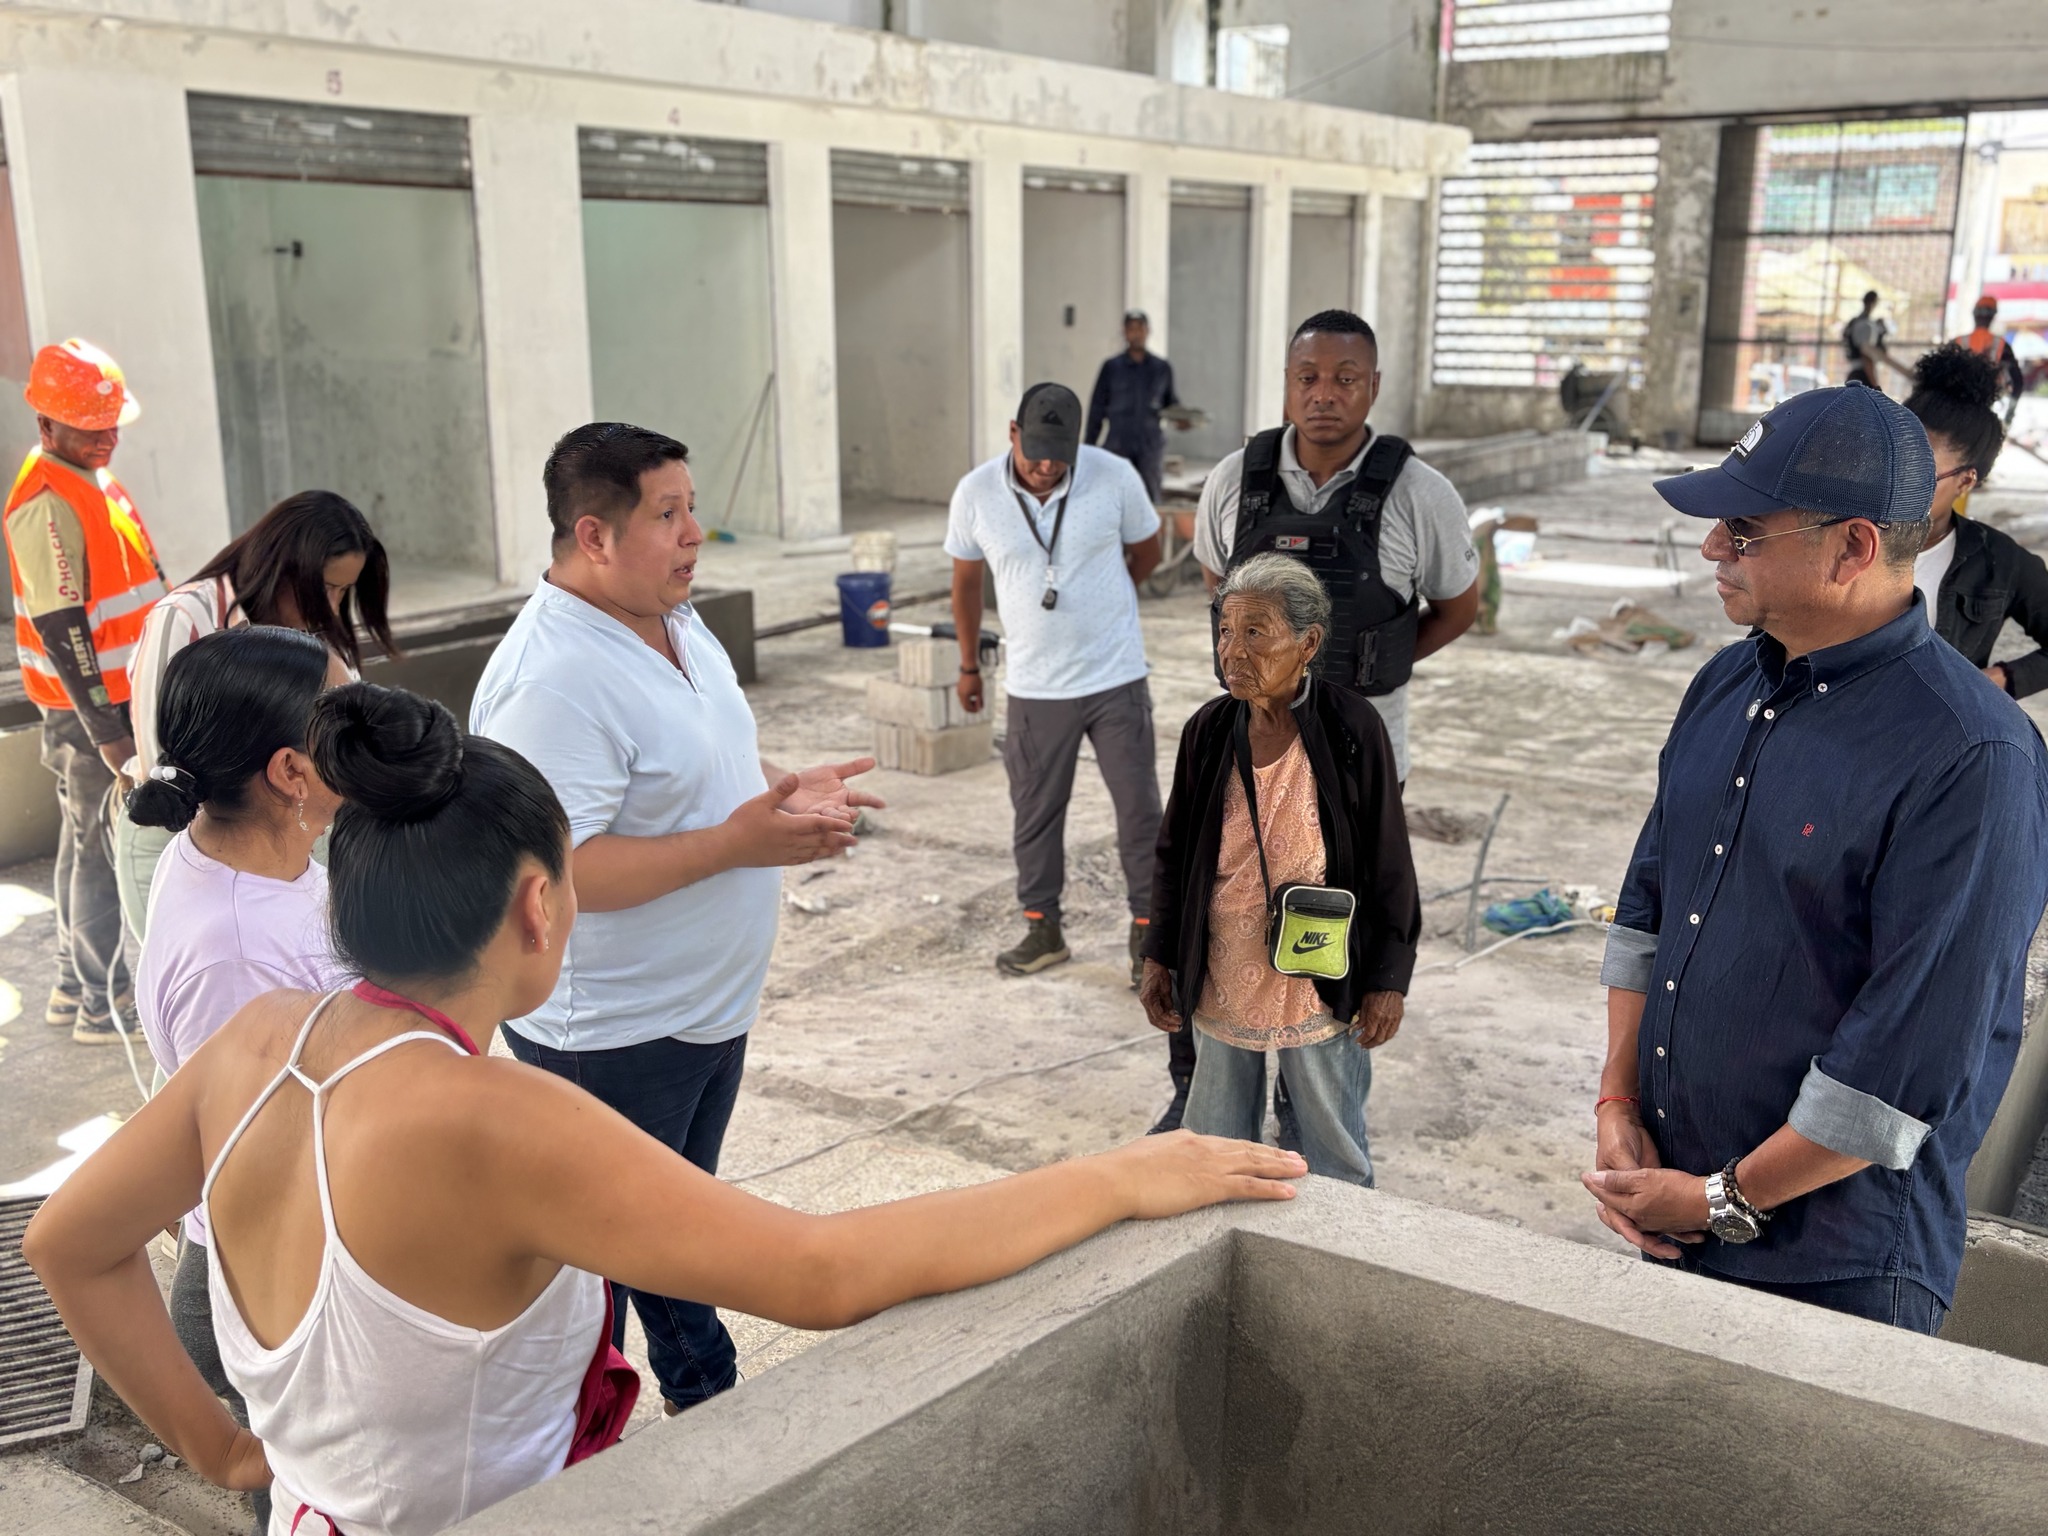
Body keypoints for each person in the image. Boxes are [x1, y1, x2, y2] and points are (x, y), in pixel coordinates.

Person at [23, 678, 1307, 1535]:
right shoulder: (498, 1121)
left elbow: (67, 1242)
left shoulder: (261, 1043)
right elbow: (818, 1272)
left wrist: (226, 1455)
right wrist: (1115, 1177)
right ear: (540, 905)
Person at [1584, 383, 2048, 1333]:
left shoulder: (1971, 755)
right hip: (1676, 1209)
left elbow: (1903, 1065)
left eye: (1744, 531)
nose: (1712, 549)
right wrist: (1618, 1101)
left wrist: (1722, 1199)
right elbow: (1648, 907)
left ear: (1853, 548)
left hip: (1838, 1268)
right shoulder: (1728, 684)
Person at [470, 422, 885, 1417]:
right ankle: (604, 1441)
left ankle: (700, 1397)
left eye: (691, 507)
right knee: (602, 1277)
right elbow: (557, 871)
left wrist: (778, 788)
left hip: (701, 1014)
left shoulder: (670, 615)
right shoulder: (553, 683)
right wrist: (736, 844)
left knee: (674, 1228)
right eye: (668, 514)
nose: (695, 532)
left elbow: (699, 756)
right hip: (613, 1041)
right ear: (594, 535)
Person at [1170, 308, 1478, 1134]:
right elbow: (1219, 584)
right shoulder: (1236, 480)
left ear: (1373, 386)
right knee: (1232, 904)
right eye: (1308, 377)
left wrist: (1371, 669)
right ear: (1287, 384)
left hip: (1357, 752)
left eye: (1345, 379)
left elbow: (1459, 606)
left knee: (1336, 917)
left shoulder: (1420, 493)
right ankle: (1214, 1081)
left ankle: (1313, 1098)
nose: (1325, 394)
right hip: (1249, 750)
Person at [127, 625, 352, 1535]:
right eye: (348, 717)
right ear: (292, 772)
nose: (371, 728)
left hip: (285, 1256)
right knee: (314, 1499)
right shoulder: (238, 948)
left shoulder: (237, 851)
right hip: (271, 1279)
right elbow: (265, 1158)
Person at [1139, 554, 1419, 1185]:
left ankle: (1337, 1237)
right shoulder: (1209, 729)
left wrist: (1388, 978)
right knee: (1214, 1143)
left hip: (1317, 963)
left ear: (1308, 644)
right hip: (1223, 965)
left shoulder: (1351, 726)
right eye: (1225, 632)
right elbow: (1173, 851)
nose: (1233, 651)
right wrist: (1159, 954)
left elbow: (1389, 861)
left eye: (1255, 632)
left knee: (1333, 1147)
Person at [947, 383, 1164, 982]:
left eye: (1059, 455)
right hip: (1035, 686)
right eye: (1035, 453)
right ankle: (1043, 929)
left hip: (1116, 677)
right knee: (1036, 815)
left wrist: (1106, 602)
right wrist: (969, 665)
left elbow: (1146, 552)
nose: (1046, 467)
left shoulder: (1114, 477)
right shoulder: (976, 493)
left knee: (1140, 811)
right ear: (1013, 433)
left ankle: (1149, 935)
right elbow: (965, 584)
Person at [114, 489, 396, 942]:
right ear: (282, 566)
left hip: (291, 839)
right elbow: (160, 762)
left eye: (345, 591)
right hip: (180, 832)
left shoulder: (320, 634)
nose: (333, 606)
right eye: (325, 587)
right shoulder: (187, 614)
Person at [3, 339, 165, 1045]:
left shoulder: (87, 476)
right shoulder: (45, 503)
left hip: (114, 699)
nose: (108, 438)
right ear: (46, 425)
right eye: (90, 427)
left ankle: (76, 984)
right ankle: (104, 1001)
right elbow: (63, 628)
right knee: (103, 843)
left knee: (84, 836)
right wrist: (109, 734)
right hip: (90, 710)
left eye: (111, 425)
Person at [1903, 342, 2048, 699]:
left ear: (1965, 481)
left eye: (1921, 474)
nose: (1899, 482)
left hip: (1938, 730)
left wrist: (1996, 681)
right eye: (1894, 463)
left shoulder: (2000, 563)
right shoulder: (1839, 532)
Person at [1085, 310, 1182, 505]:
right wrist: (1089, 447)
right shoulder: (1112, 367)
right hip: (1118, 443)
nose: (1136, 333)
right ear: (1124, 332)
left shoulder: (1161, 368)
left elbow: (1171, 403)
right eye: (1131, 329)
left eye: (1140, 329)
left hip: (1150, 446)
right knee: (1114, 496)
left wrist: (1182, 419)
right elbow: (1097, 409)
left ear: (1148, 331)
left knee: (1149, 498)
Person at [1953, 294, 2025, 424]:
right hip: (1986, 404)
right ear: (1993, 316)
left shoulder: (1958, 341)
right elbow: (2017, 380)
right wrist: (2010, 413)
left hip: (1956, 403)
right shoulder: (2002, 345)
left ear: (1974, 314)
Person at [1842, 290, 1910, 392]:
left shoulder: (1856, 323)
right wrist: (1874, 384)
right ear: (1874, 302)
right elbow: (1866, 354)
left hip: (1857, 375)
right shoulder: (1866, 325)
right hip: (1863, 375)